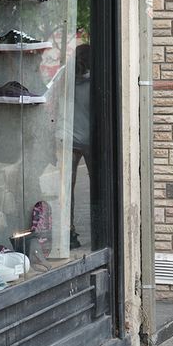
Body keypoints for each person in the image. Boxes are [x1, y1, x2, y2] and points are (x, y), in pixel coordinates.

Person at [70, 44, 91, 249]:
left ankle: (69, 232)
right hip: (90, 142)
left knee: (68, 190)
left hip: (70, 140)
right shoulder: (96, 82)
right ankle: (98, 230)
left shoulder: (67, 80)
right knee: (97, 187)